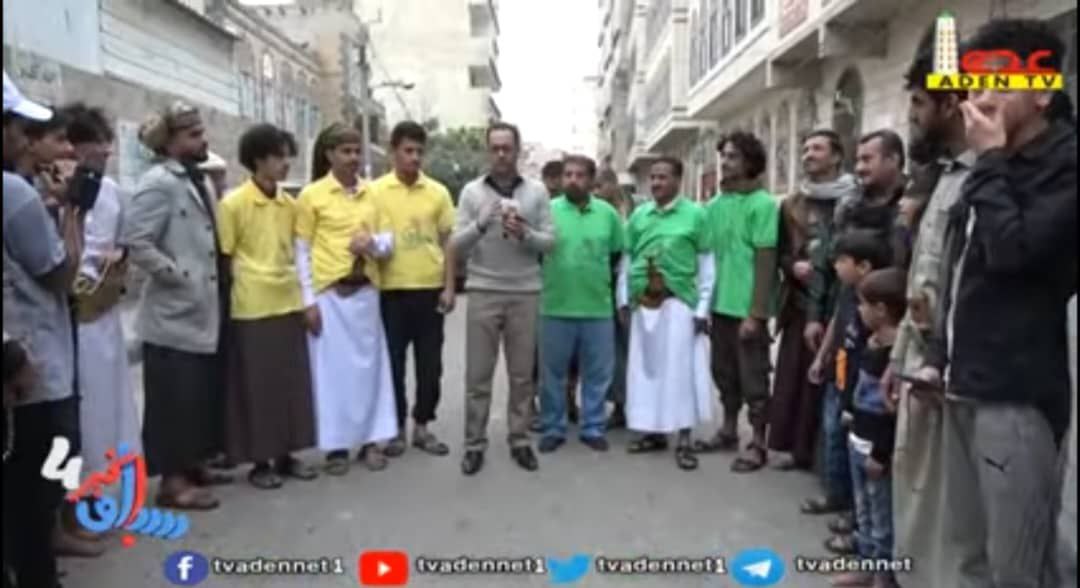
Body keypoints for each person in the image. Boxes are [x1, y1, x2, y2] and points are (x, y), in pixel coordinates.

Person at [917, 19, 1077, 588]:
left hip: (1018, 392)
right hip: (965, 380)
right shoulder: (991, 164)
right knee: (967, 553)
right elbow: (964, 266)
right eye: (975, 85)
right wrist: (936, 356)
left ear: (1043, 93)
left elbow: (1014, 253)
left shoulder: (1062, 165)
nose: (980, 100)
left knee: (1018, 566)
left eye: (998, 84)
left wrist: (988, 163)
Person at [880, 30, 973, 588]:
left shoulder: (979, 181)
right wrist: (899, 359)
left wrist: (936, 362)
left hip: (952, 376)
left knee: (949, 515)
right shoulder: (945, 176)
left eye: (918, 103)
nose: (912, 117)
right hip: (918, 362)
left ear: (950, 103)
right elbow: (923, 278)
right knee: (911, 491)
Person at [123, 102, 230, 510]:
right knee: (174, 400)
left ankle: (194, 464)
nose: (203, 140)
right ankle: (173, 482)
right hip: (173, 314)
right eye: (193, 135)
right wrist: (178, 276)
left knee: (197, 396)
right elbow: (137, 242)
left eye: (201, 132)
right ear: (169, 143)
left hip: (203, 309)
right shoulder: (158, 182)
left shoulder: (196, 178)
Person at [2, 71, 84, 588]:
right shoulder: (14, 193)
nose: (23, 137)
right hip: (24, 362)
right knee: (28, 494)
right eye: (18, 127)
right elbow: (59, 273)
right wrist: (70, 215)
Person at [294, 123, 398, 476]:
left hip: (365, 294)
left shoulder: (372, 194)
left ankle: (371, 441)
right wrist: (308, 301)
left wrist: (372, 244)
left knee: (370, 372)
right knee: (332, 375)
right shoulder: (311, 196)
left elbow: (389, 242)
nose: (353, 158)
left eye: (357, 151)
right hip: (330, 298)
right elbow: (301, 251)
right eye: (346, 151)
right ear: (329, 155)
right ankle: (336, 447)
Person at [218, 123, 318, 488]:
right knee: (257, 387)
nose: (285, 163)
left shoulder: (291, 205)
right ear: (258, 160)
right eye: (278, 156)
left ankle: (287, 455)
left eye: (287, 155)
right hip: (252, 305)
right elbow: (226, 258)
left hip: (288, 300)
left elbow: (300, 253)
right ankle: (260, 462)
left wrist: (306, 300)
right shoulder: (233, 204)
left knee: (290, 385)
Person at [453, 122, 554, 475]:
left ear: (517, 150)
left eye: (506, 148)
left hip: (525, 292)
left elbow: (550, 242)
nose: (500, 155)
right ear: (487, 151)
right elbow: (455, 245)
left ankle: (520, 439)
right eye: (494, 148)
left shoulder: (537, 191)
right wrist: (479, 225)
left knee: (522, 376)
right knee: (478, 376)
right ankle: (474, 444)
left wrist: (526, 233)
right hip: (483, 290)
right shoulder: (471, 192)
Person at [65, 103, 143, 540]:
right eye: (94, 144)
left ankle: (108, 491)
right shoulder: (56, 192)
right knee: (82, 410)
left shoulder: (111, 191)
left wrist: (119, 259)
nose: (105, 152)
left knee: (110, 406)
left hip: (105, 310)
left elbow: (125, 240)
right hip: (71, 317)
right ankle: (77, 500)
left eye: (106, 143)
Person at [773, 130, 858, 512]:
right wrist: (794, 266)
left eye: (817, 148)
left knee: (833, 380)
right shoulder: (792, 204)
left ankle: (828, 461)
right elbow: (780, 252)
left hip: (841, 299)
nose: (808, 154)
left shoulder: (853, 198)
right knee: (797, 375)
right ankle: (797, 449)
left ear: (837, 157)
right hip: (800, 301)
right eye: (805, 148)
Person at [620, 157, 714, 471]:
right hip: (643, 303)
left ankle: (684, 439)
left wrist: (702, 309)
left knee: (679, 372)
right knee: (646, 370)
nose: (656, 183)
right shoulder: (639, 215)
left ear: (678, 180)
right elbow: (627, 259)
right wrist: (623, 300)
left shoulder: (696, 215)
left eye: (663, 177)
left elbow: (707, 266)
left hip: (679, 305)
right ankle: (653, 433)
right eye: (653, 178)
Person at [370, 121, 456, 458]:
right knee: (392, 364)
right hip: (390, 291)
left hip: (429, 290)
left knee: (430, 365)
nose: (415, 157)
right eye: (408, 150)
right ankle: (395, 430)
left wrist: (449, 287)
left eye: (420, 151)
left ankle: (422, 426)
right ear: (393, 151)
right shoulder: (375, 192)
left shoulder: (437, 192)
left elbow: (448, 242)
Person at [693, 132, 777, 473]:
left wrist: (756, 314)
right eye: (724, 156)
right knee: (723, 373)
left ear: (750, 162)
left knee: (754, 379)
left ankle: (758, 443)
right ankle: (728, 431)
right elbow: (705, 260)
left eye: (733, 157)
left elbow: (766, 261)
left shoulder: (763, 204)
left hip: (747, 310)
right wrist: (703, 307)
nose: (725, 163)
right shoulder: (714, 206)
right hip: (719, 307)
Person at [536, 155, 624, 458]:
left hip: (597, 308)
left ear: (591, 179)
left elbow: (617, 255)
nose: (573, 180)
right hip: (555, 307)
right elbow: (536, 253)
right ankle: (553, 428)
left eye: (580, 175)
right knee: (552, 375)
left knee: (597, 374)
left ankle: (593, 428)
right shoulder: (547, 212)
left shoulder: (608, 214)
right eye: (568, 175)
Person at [814, 229, 894, 556]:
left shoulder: (875, 310)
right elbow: (836, 322)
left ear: (863, 266)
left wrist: (852, 402)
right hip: (840, 380)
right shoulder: (849, 293)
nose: (835, 266)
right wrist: (822, 357)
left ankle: (864, 537)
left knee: (868, 481)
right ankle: (842, 505)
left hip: (860, 398)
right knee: (836, 442)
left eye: (841, 260)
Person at [830, 268, 906, 588]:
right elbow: (856, 385)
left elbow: (891, 414)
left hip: (876, 449)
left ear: (881, 310)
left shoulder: (895, 357)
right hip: (857, 438)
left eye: (863, 304)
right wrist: (849, 412)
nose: (858, 310)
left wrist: (880, 454)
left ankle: (883, 575)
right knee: (863, 511)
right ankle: (865, 564)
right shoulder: (869, 341)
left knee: (881, 516)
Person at [594, 168, 629, 428]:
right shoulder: (595, 211)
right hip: (598, 286)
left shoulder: (631, 211)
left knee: (623, 348)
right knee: (605, 352)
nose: (596, 192)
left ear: (612, 184)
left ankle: (624, 405)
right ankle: (611, 404)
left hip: (624, 285)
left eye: (600, 186)